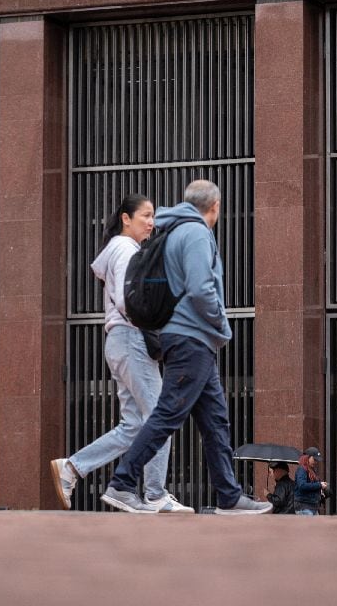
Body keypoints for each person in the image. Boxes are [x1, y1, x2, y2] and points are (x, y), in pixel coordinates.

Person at [102, 180, 271, 515]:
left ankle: (228, 496)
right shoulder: (194, 233)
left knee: (215, 421)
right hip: (192, 337)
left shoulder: (172, 230)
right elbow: (199, 287)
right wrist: (222, 326)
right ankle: (122, 483)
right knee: (167, 414)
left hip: (193, 340)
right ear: (216, 206)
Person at [50, 194, 189, 514]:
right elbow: (130, 298)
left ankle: (72, 468)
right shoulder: (126, 249)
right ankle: (154, 494)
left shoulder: (119, 249)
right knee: (160, 418)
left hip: (121, 341)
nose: (151, 222)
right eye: (145, 216)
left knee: (133, 426)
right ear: (126, 218)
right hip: (132, 339)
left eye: (153, 216)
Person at [293, 447, 328, 515]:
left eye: (316, 460)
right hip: (304, 506)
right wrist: (319, 485)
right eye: (314, 459)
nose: (316, 462)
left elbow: (310, 486)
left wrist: (320, 488)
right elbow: (302, 485)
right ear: (307, 458)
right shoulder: (302, 469)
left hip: (312, 506)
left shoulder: (311, 470)